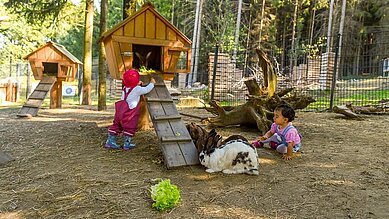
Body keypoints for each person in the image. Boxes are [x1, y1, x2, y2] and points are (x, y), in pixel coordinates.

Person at [105, 69, 155, 150]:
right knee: (129, 127)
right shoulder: (137, 90)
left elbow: (131, 86)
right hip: (130, 113)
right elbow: (146, 90)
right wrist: (152, 83)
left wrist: (137, 84)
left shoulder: (125, 88)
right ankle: (126, 144)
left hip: (120, 111)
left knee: (116, 125)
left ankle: (110, 141)